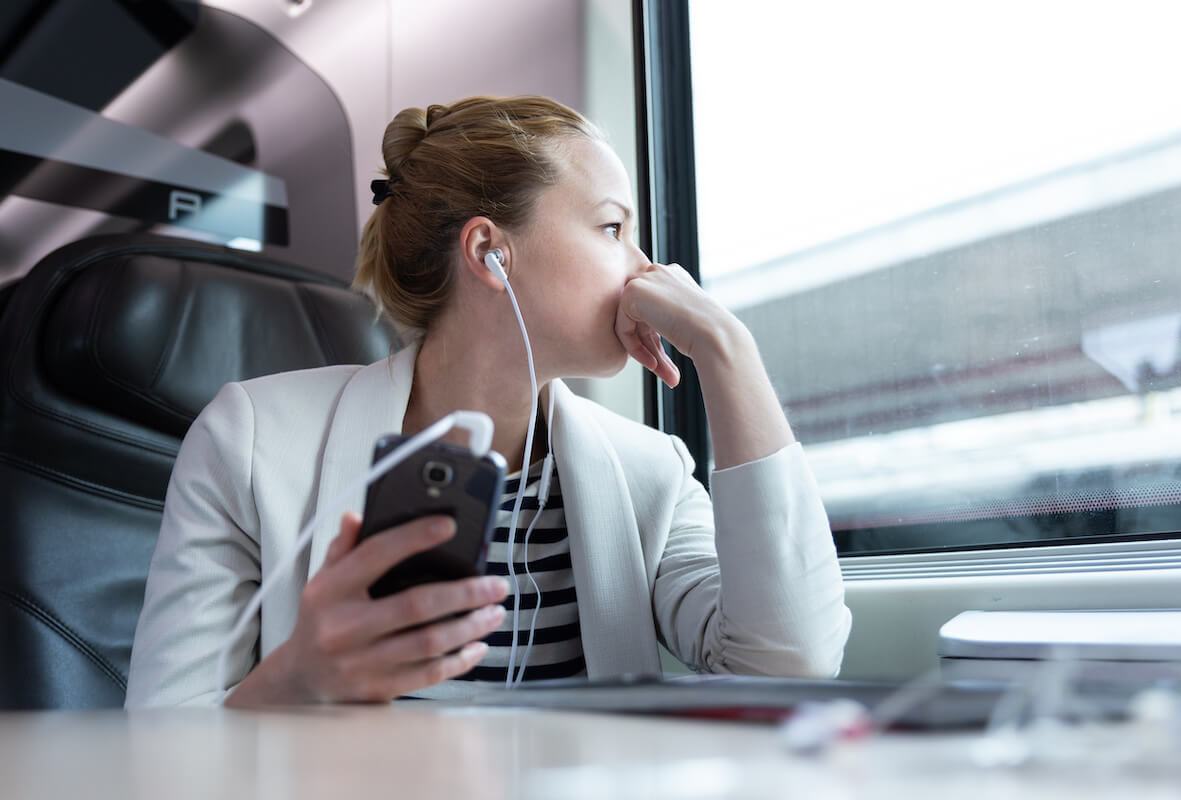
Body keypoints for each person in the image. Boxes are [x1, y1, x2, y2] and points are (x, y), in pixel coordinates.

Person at [125, 95, 851, 707]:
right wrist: (298, 682)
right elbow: (152, 755)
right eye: (612, 229)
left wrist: (728, 352)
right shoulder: (250, 441)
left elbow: (788, 668)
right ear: (488, 252)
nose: (651, 269)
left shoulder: (648, 470)